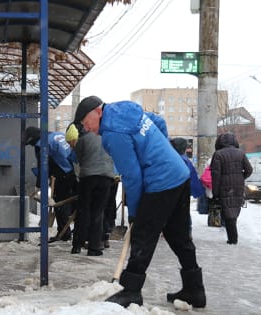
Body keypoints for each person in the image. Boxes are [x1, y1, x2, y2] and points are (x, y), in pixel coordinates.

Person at [74, 96, 206, 308]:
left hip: (161, 181)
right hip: (178, 173)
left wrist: (134, 213)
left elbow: (132, 176)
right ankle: (195, 289)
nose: (85, 128)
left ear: (98, 112)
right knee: (178, 235)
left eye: (85, 122)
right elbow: (159, 121)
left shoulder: (112, 134)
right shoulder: (126, 109)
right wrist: (163, 152)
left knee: (143, 235)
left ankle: (131, 290)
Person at [65, 123, 114, 256]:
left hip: (88, 178)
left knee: (83, 211)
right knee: (98, 212)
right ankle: (94, 248)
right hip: (106, 179)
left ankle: (77, 245)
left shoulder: (83, 139)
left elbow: (78, 159)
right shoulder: (107, 137)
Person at [24, 126, 76, 241]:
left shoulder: (41, 144)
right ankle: (76, 232)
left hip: (63, 173)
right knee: (74, 203)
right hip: (75, 170)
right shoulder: (57, 135)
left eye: (31, 144)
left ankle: (64, 234)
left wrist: (39, 185)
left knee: (59, 203)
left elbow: (43, 166)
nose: (32, 146)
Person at [210, 132, 253, 244]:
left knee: (229, 214)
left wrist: (215, 194)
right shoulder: (241, 153)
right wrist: (240, 177)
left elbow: (216, 176)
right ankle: (232, 238)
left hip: (224, 187)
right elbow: (249, 170)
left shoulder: (218, 154)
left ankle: (233, 240)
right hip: (238, 187)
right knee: (233, 211)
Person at [170, 137, 205, 237]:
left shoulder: (169, 159)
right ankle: (186, 232)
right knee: (183, 212)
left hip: (169, 191)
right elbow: (193, 179)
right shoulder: (186, 161)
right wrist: (197, 192)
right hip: (182, 191)